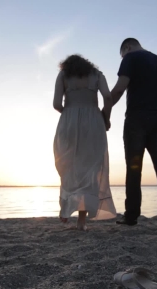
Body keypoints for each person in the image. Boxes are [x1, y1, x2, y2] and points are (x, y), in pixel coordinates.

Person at [109, 38, 157, 231]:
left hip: (137, 119)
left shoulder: (130, 58)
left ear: (126, 47)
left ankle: (131, 217)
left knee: (134, 168)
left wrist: (105, 110)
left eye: (122, 54)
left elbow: (119, 88)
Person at [52, 54, 117, 230]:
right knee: (91, 169)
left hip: (69, 121)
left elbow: (57, 103)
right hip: (93, 121)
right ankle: (82, 221)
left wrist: (70, 113)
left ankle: (65, 208)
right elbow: (108, 98)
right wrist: (106, 118)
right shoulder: (97, 74)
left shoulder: (64, 75)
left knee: (68, 166)